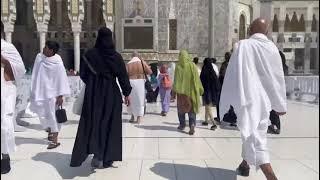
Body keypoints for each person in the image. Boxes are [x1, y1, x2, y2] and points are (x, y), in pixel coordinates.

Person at [219, 18, 287, 180]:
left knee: (255, 138)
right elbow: (277, 78)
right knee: (252, 133)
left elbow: (232, 76)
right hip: (264, 103)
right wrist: (280, 104)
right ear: (267, 32)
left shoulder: (242, 46)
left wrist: (227, 102)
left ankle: (271, 177)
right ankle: (244, 165)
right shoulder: (272, 48)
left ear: (250, 30)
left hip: (247, 100)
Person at [70, 27, 132, 168]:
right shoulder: (115, 56)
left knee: (94, 122)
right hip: (112, 94)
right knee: (110, 124)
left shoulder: (90, 55)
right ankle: (107, 157)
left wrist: (94, 83)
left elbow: (83, 75)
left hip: (94, 95)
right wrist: (126, 93)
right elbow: (122, 76)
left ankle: (96, 153)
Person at [30, 40, 70, 149]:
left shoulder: (58, 62)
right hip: (43, 93)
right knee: (44, 115)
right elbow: (36, 73)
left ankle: (55, 141)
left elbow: (61, 79)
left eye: (46, 47)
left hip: (55, 94)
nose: (43, 49)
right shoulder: (41, 58)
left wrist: (61, 95)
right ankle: (51, 132)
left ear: (51, 50)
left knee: (54, 116)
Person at [1, 24, 26, 174]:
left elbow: (20, 69)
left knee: (4, 124)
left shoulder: (8, 48)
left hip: (5, 89)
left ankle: (5, 156)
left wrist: (4, 60)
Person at [172, 50, 204, 135]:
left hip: (181, 93)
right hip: (191, 92)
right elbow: (197, 79)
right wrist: (200, 89)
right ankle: (192, 125)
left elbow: (176, 81)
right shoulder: (192, 65)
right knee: (192, 110)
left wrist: (174, 92)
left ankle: (182, 125)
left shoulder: (178, 66)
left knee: (181, 110)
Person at [126, 51, 152, 124]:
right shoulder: (141, 62)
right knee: (140, 100)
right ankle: (139, 118)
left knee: (132, 99)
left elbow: (125, 75)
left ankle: (132, 116)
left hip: (131, 82)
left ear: (132, 56)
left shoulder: (128, 63)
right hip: (140, 82)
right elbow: (149, 71)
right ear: (138, 56)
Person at [268, 51, 288, 135]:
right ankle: (274, 125)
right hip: (279, 89)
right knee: (274, 108)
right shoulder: (284, 67)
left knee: (273, 108)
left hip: (274, 89)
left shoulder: (278, 66)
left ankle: (276, 126)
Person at [200, 58, 220, 130]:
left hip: (206, 92)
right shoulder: (212, 71)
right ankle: (206, 121)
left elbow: (201, 81)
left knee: (208, 107)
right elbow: (217, 82)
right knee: (207, 106)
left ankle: (214, 124)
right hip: (212, 92)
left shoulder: (204, 70)